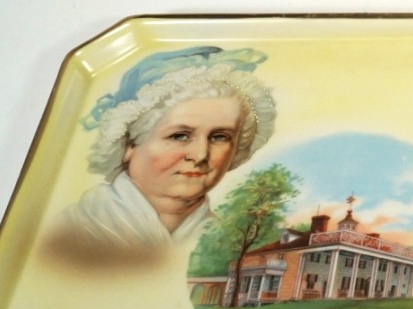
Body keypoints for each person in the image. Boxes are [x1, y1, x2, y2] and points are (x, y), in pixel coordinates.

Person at [55, 46, 276, 249]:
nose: (200, 155)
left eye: (219, 137)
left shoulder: (230, 243)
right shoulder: (76, 229)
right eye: (180, 136)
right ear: (129, 144)